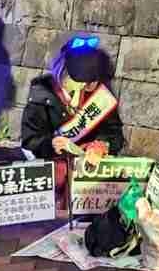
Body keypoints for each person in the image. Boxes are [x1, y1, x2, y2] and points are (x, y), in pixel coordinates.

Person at [20, 36, 124, 202]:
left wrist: (102, 145)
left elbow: (114, 132)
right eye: (80, 80)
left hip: (88, 177)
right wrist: (51, 144)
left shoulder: (100, 95)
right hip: (52, 174)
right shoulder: (42, 95)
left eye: (90, 82)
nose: (86, 86)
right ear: (63, 71)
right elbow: (30, 140)